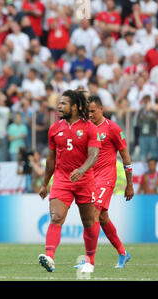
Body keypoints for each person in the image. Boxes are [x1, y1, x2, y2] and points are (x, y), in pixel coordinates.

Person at [38, 90, 101, 274]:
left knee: (89, 221)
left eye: (63, 103)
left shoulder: (90, 127)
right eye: (59, 103)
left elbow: (94, 155)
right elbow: (51, 159)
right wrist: (44, 183)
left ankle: (90, 260)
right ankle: (49, 257)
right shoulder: (54, 129)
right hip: (62, 178)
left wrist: (81, 170)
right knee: (56, 217)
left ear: (74, 107)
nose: (59, 106)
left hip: (84, 180)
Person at [73, 95, 134, 269]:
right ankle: (123, 253)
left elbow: (126, 157)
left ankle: (88, 260)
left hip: (107, 177)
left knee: (92, 215)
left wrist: (129, 184)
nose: (90, 114)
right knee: (102, 217)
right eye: (88, 111)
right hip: (90, 177)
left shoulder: (112, 128)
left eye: (93, 111)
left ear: (101, 109)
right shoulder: (86, 128)